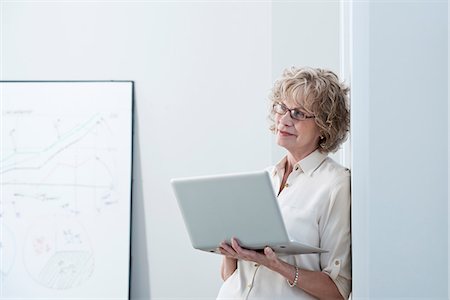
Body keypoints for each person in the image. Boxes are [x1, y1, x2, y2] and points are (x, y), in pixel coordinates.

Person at [216, 67, 351, 300]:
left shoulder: (335, 184)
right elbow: (231, 278)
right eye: (282, 108)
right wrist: (231, 251)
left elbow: (338, 291)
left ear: (325, 126)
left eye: (298, 113)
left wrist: (276, 265)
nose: (284, 120)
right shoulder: (263, 179)